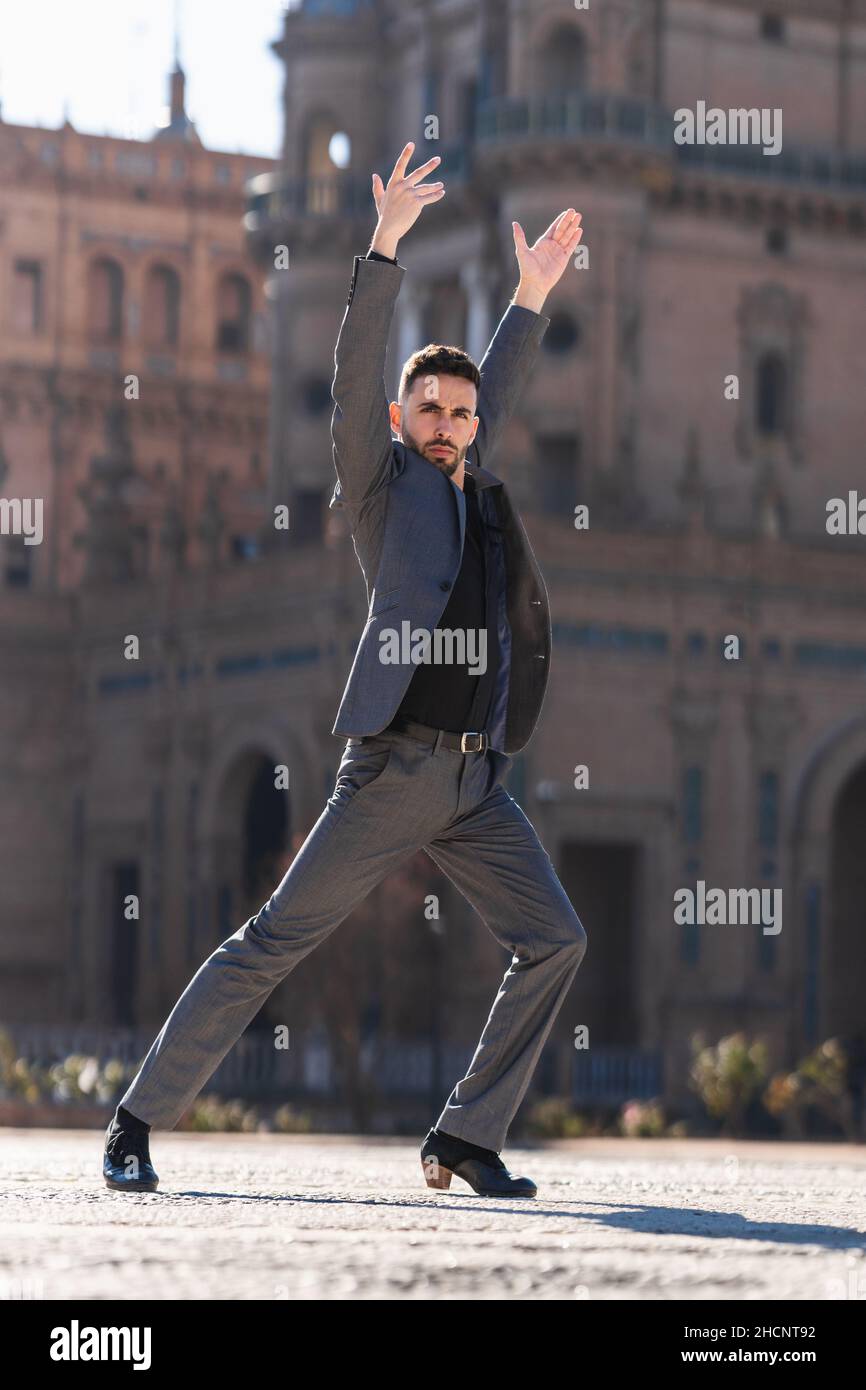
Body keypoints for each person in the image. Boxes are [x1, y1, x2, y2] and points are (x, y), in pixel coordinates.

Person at [104, 141, 586, 1199]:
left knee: (552, 937)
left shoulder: (471, 480)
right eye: (432, 413)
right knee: (270, 942)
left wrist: (530, 294)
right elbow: (353, 368)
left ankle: (463, 1135)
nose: (451, 427)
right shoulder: (382, 488)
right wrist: (381, 246)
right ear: (397, 426)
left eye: (461, 416)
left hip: (471, 784)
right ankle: (136, 1118)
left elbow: (493, 385)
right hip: (391, 773)